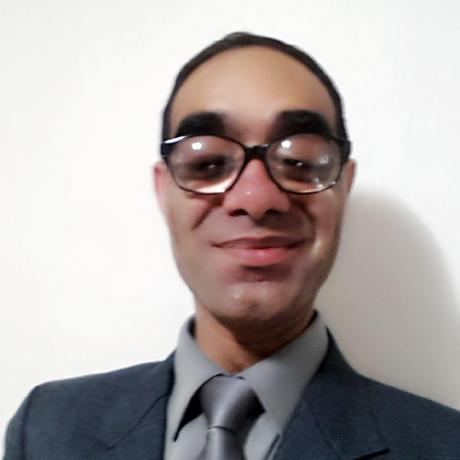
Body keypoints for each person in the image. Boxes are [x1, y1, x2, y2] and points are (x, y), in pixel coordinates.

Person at [4, 32, 460, 460]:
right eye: (207, 163)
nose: (256, 198)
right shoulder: (46, 428)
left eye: (300, 161)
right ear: (163, 191)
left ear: (344, 187)